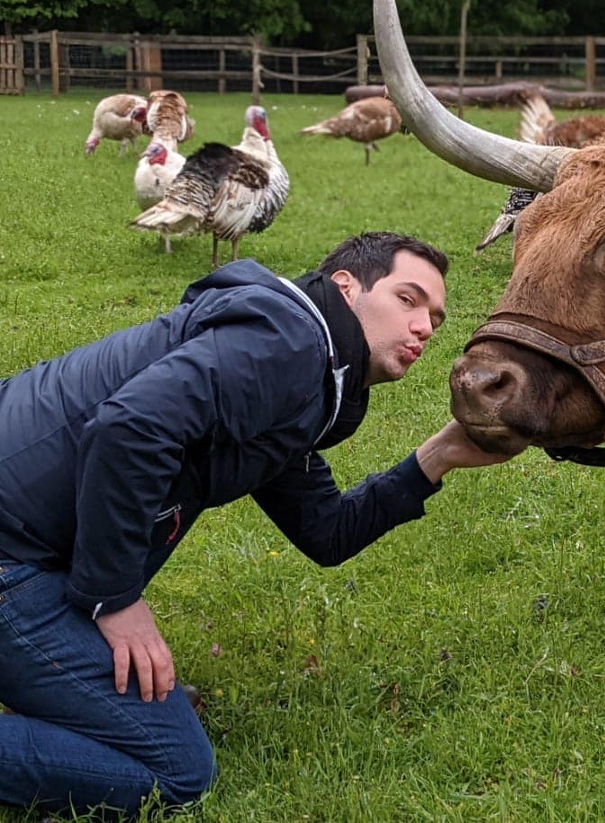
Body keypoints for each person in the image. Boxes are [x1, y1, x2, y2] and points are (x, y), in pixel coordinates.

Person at [0, 232, 508, 816]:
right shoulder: (288, 345)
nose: (424, 326)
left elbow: (326, 530)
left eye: (436, 319)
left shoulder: (303, 375)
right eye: (408, 300)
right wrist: (113, 600)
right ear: (346, 287)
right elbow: (130, 429)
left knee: (142, 729)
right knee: (176, 771)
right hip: (13, 555)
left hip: (27, 545)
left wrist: (437, 458)